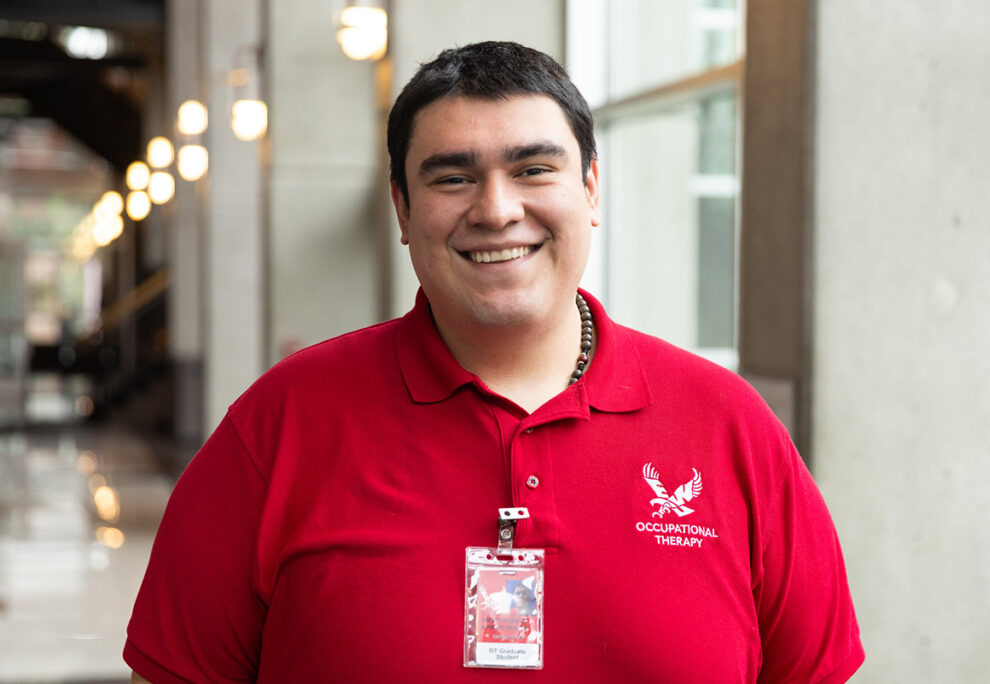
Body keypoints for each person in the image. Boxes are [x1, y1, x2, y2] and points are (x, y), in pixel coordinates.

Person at [126, 41, 864, 682]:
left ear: (591, 189)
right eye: (452, 178)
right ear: (403, 211)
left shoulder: (728, 426)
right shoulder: (278, 426)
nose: (496, 209)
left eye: (533, 169)